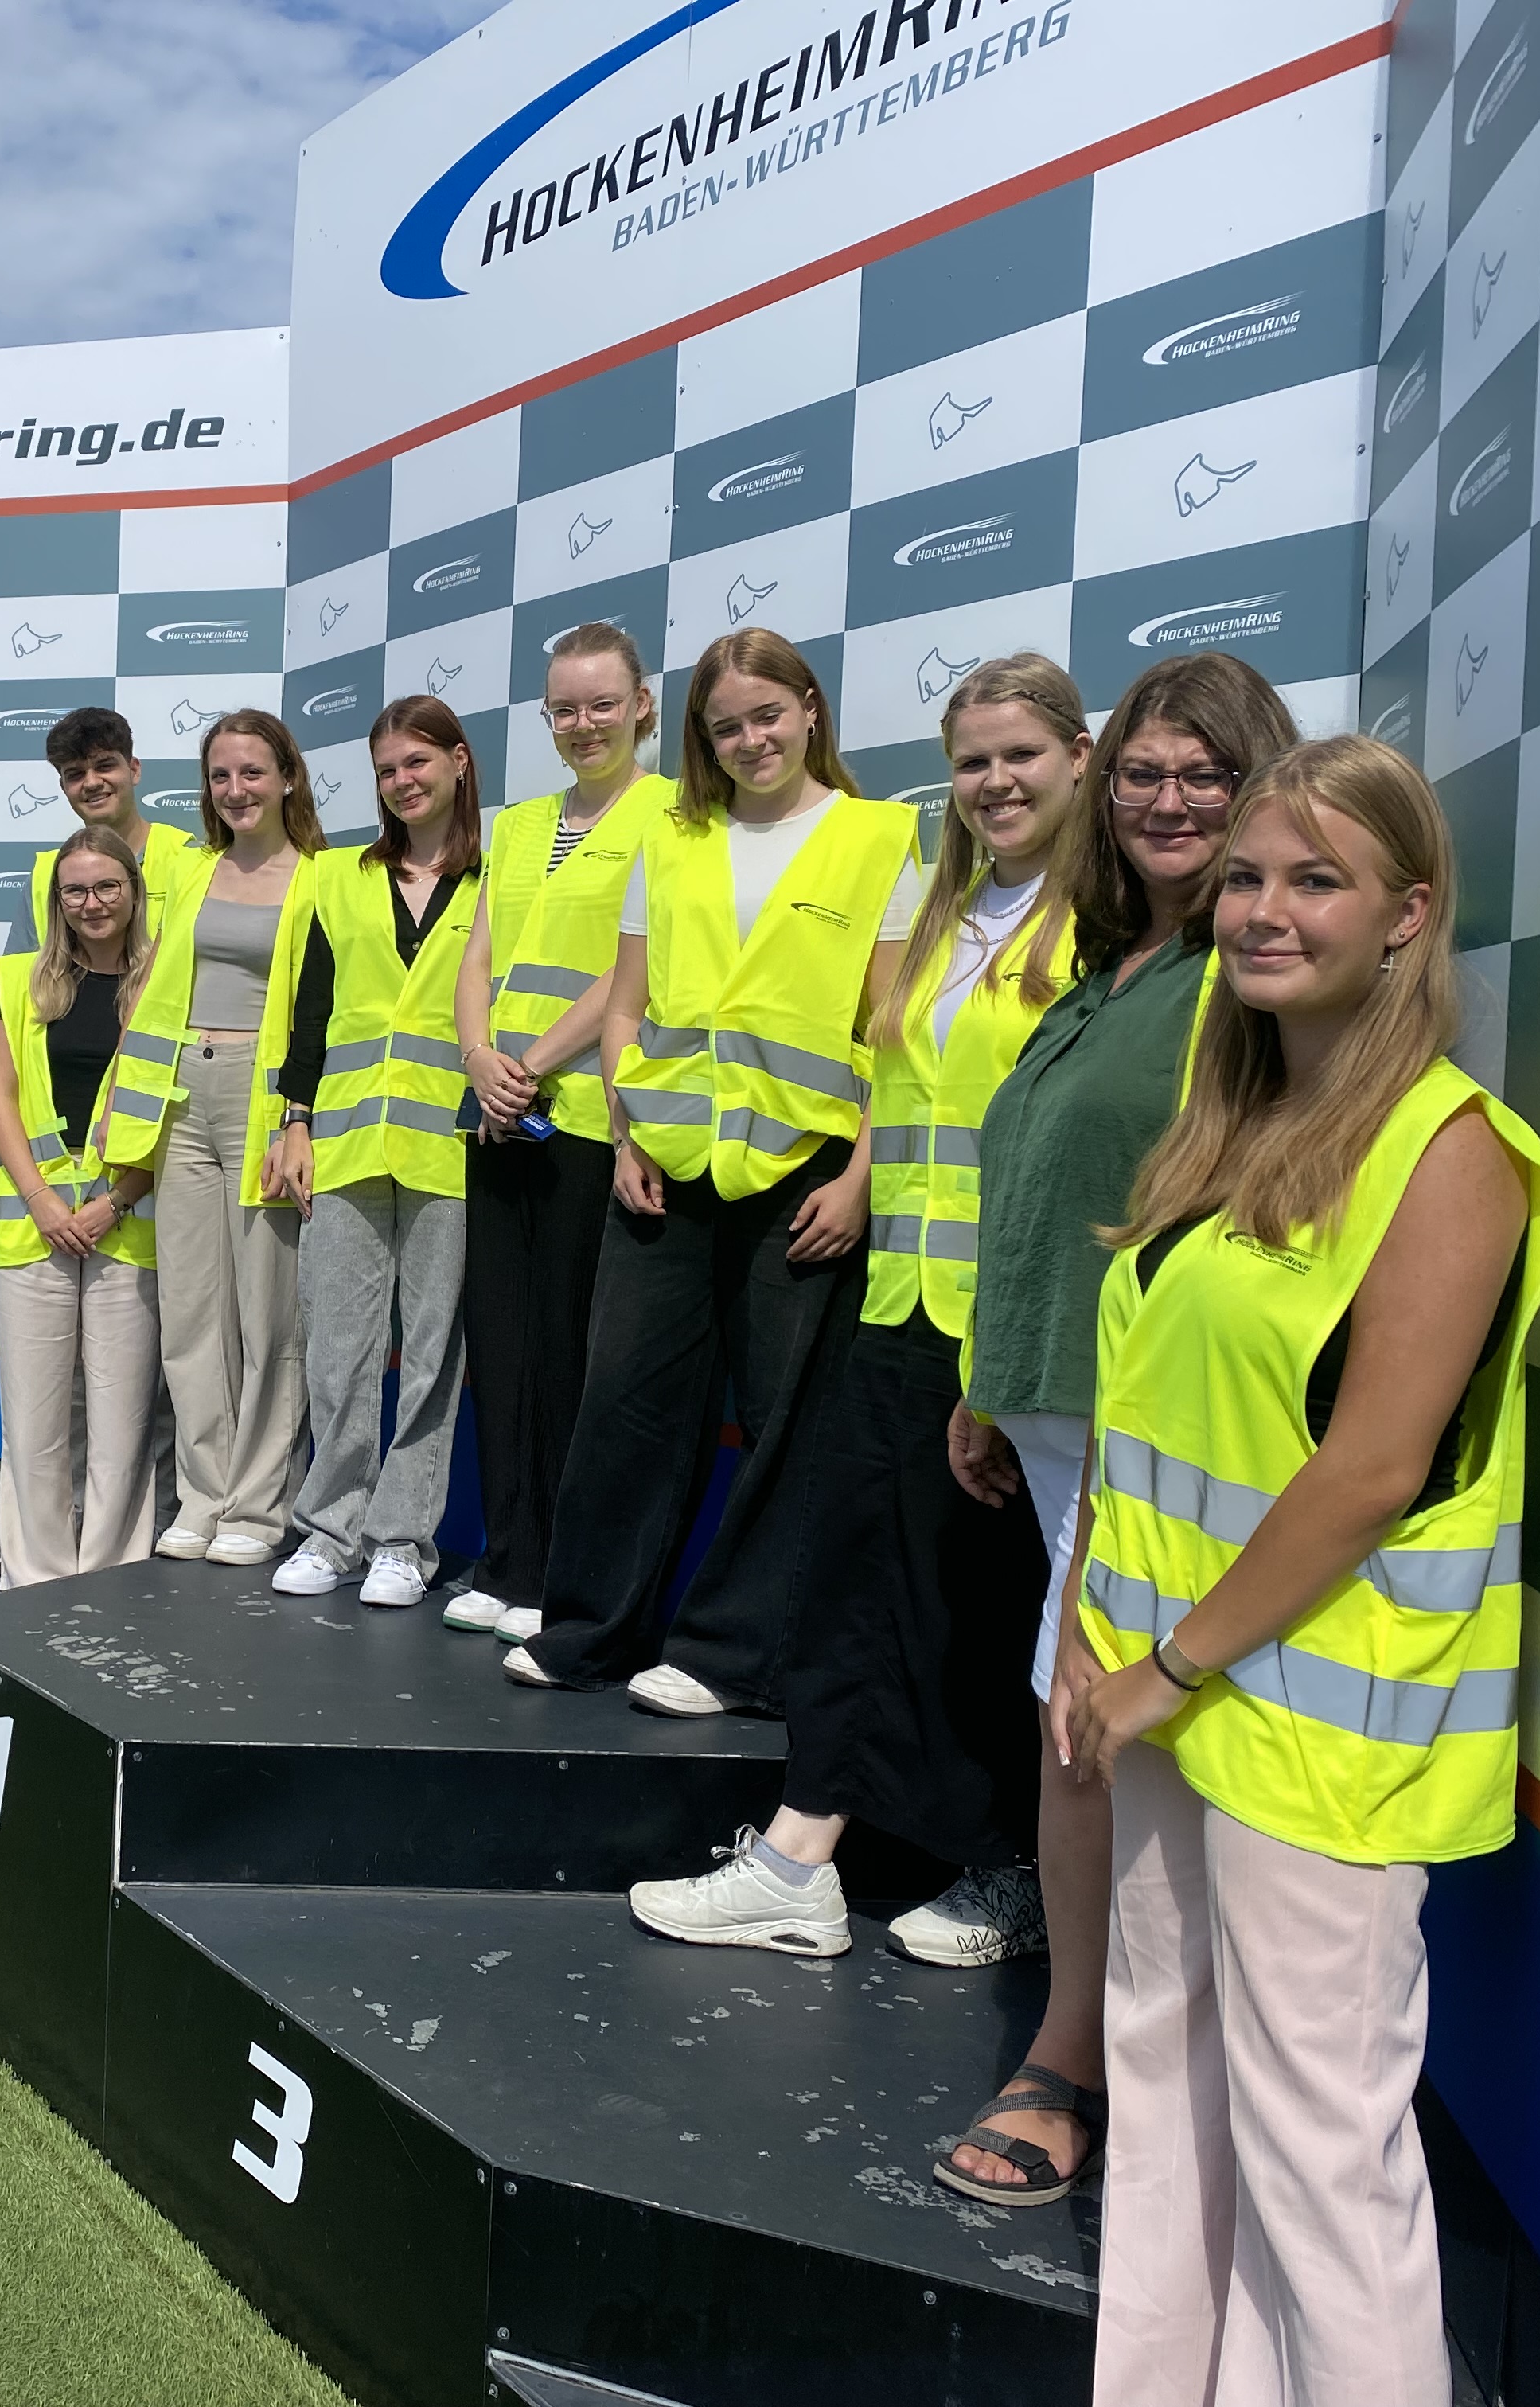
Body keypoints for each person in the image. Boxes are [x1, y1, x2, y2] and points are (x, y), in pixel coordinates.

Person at [1067, 735, 1540, 2405]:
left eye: (1315, 880)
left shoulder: (1452, 1149)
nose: (1263, 911)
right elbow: (1155, 1421)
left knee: (1319, 2156)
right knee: (1163, 2080)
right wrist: (1087, 1636)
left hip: (1312, 1739)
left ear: (1408, 913)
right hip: (1167, 1701)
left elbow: (1367, 1470)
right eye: (1247, 878)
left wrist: (1166, 1668)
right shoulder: (1226, 1128)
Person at [626, 655, 1085, 1964]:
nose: (994, 782)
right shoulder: (952, 909)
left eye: (1020, 755)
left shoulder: (1103, 931)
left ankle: (1016, 1871)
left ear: (1077, 759)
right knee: (854, 1583)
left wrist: (1010, 1348)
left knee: (1001, 1615)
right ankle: (796, 1860)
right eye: (972, 761)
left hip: (1021, 1329)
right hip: (903, 1301)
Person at [930, 651, 1301, 2208]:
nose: (1167, 799)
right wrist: (986, 1379)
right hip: (1057, 1413)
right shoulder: (1115, 964)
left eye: (1204, 772)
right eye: (1143, 771)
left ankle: (1075, 2064)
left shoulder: (1247, 968)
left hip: (1155, 1431)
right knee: (1078, 1729)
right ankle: (1108, 2048)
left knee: (1088, 1734)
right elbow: (1051, 1189)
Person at [505, 629, 919, 1701]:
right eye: (726, 726)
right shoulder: (673, 838)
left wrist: (861, 1178)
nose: (751, 740)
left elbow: (895, 1036)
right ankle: (591, 1630)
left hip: (807, 1173)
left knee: (784, 1424)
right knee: (626, 1400)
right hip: (667, 1164)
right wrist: (629, 1136)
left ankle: (736, 1657)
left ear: (810, 709)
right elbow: (627, 1007)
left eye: (767, 715)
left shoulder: (878, 837)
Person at [443, 624, 670, 1641]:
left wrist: (530, 1063)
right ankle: (507, 1558)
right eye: (565, 709)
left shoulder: (671, 816)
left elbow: (635, 968)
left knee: (570, 1357)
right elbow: (479, 956)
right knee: (501, 1348)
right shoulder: (524, 822)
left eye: (602, 704)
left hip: (585, 1116)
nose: (584, 725)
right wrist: (479, 1057)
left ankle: (559, 1577)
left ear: (642, 705)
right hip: (500, 1116)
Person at [261, 695, 483, 1605]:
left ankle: (402, 1541)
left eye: (417, 762)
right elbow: (309, 1008)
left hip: (451, 1148)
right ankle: (330, 1531)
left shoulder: (497, 877)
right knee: (339, 1348)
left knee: (432, 1352)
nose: (402, 781)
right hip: (346, 1140)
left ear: (460, 762)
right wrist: (295, 1121)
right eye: (387, 769)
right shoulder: (339, 877)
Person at [99, 708, 326, 1566]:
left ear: (288, 777)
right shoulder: (191, 870)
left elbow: (321, 1015)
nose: (236, 789)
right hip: (179, 1098)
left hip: (263, 1102)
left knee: (267, 1317)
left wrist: (299, 1117)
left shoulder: (324, 877)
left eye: (252, 772)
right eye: (221, 775)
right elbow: (149, 990)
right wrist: (121, 1100)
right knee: (192, 1313)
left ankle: (259, 1508)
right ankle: (202, 1495)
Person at [0, 825, 158, 1585]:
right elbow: (0, 1099)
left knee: (122, 1424)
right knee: (34, 1423)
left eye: (107, 885)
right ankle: (33, 1580)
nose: (92, 902)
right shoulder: (20, 979)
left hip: (128, 1225)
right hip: (34, 1228)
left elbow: (170, 1109)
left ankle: (112, 1577)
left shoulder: (165, 981)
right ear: (56, 901)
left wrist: (113, 1201)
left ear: (133, 891)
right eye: (75, 890)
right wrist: (43, 1201)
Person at [2, 705, 198, 953]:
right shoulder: (44, 878)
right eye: (76, 774)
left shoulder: (191, 859)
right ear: (63, 787)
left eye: (104, 766)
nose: (92, 782)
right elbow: (19, 975)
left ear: (134, 770)